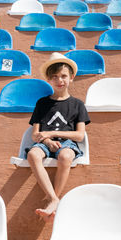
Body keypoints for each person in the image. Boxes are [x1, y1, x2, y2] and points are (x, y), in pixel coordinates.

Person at [26, 52, 90, 222]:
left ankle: (54, 199)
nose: (59, 80)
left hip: (67, 143)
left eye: (63, 76)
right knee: (33, 154)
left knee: (66, 155)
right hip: (44, 143)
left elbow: (79, 135)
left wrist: (52, 133)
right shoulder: (42, 103)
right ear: (49, 79)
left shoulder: (78, 104)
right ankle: (53, 198)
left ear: (71, 78)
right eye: (54, 77)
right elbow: (35, 134)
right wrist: (46, 140)